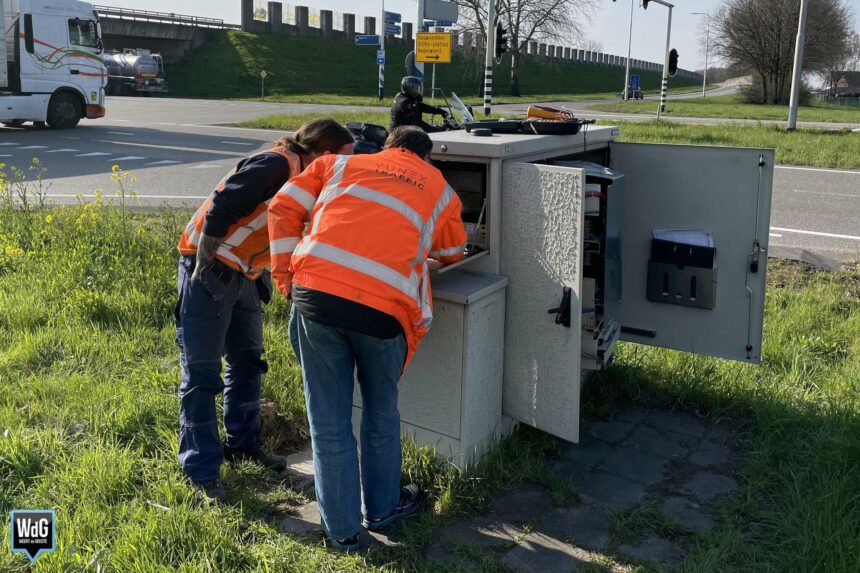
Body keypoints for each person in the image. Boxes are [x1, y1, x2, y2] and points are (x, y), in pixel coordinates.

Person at [267, 126, 467, 551]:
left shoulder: (337, 163)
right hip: (384, 315)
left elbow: (283, 206)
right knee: (381, 412)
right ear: (426, 159)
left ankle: (341, 533)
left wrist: (285, 276)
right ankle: (382, 508)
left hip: (317, 300)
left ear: (388, 147)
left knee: (328, 422)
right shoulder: (441, 189)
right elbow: (453, 253)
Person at [175, 119, 355, 503]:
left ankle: (242, 444)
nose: (345, 167)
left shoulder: (309, 180)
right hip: (211, 267)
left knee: (247, 362)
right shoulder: (278, 164)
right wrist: (205, 266)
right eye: (343, 158)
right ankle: (200, 472)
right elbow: (223, 204)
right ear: (321, 153)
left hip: (242, 272)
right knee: (201, 372)